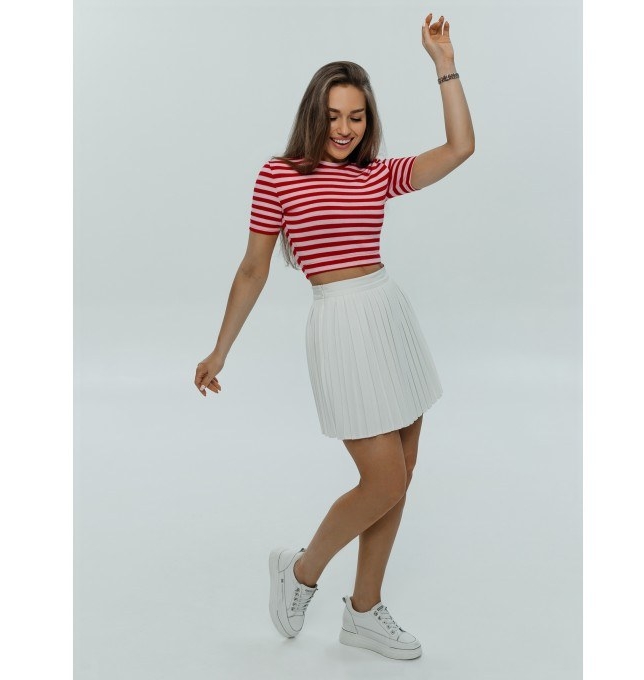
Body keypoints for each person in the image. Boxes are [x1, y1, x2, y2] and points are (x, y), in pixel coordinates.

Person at [194, 13, 474, 661]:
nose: (344, 129)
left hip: (390, 315)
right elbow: (253, 268)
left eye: (356, 116)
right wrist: (220, 349)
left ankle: (364, 612)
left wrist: (444, 65)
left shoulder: (375, 175)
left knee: (402, 472)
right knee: (383, 480)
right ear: (312, 116)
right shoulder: (279, 176)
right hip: (341, 325)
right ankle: (301, 572)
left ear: (368, 120)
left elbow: (460, 148)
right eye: (333, 116)